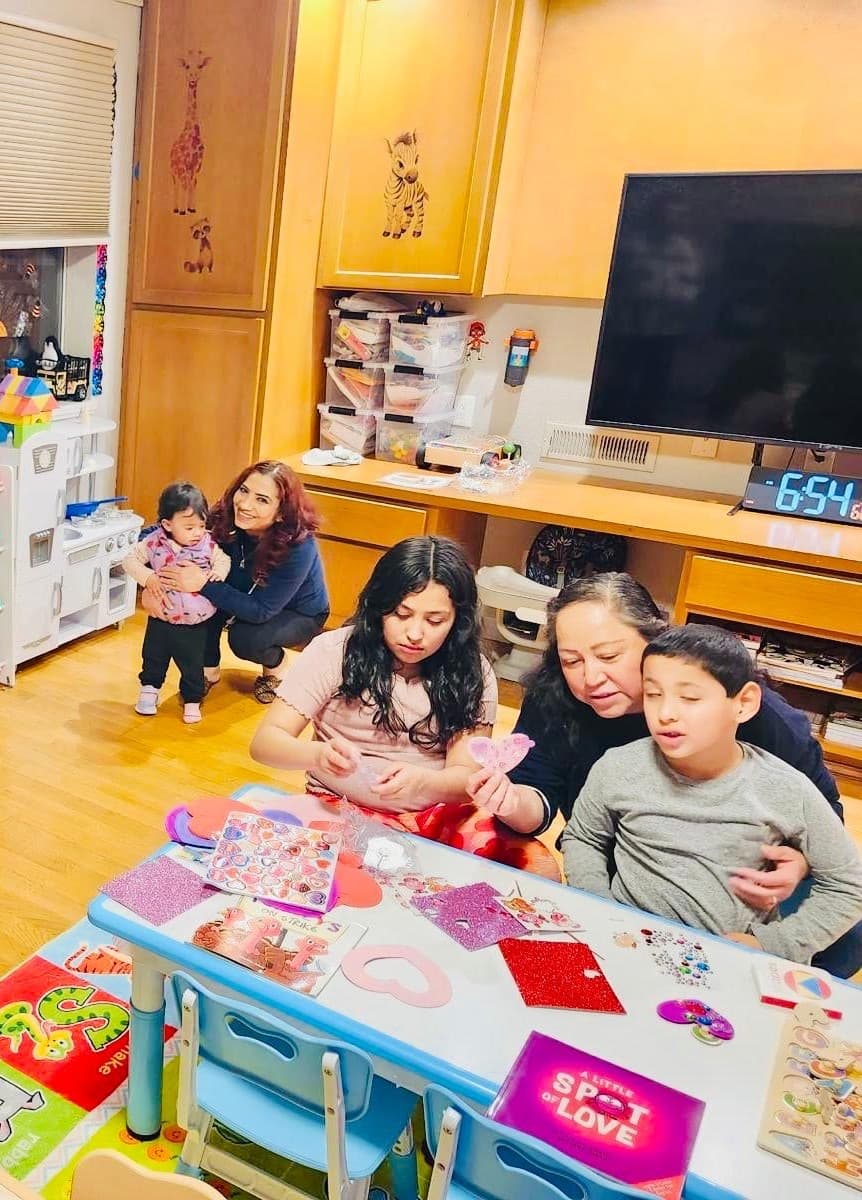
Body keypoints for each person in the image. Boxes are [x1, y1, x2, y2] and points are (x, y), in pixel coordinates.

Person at [466, 572, 860, 976]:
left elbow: (823, 823)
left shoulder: (760, 720)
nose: (591, 677)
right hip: (630, 880)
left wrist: (796, 863)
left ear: (654, 644)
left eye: (610, 656)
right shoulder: (564, 707)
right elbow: (558, 814)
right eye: (572, 661)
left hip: (740, 885)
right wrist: (513, 803)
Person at [250, 535, 558, 877]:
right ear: (378, 607)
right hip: (339, 806)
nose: (415, 633)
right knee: (298, 864)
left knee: (536, 868)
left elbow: (465, 777)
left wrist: (424, 782)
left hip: (436, 813)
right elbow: (265, 744)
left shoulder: (473, 670)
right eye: (401, 614)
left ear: (459, 619)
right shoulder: (333, 652)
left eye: (435, 621)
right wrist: (317, 756)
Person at [560, 625, 862, 965]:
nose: (665, 713)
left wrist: (774, 945)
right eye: (654, 694)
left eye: (689, 698)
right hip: (623, 947)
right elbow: (583, 837)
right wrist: (597, 907)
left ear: (744, 703)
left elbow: (848, 884)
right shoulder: (618, 766)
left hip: (726, 964)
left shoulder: (785, 787)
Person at [149, 461, 329, 704]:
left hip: (297, 612)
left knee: (245, 639)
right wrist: (150, 581)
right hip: (242, 593)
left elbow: (261, 610)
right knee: (197, 603)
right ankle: (208, 670)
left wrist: (203, 584)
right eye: (243, 491)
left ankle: (276, 667)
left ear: (281, 512)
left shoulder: (299, 546)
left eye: (262, 500)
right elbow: (163, 534)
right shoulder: (224, 516)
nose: (244, 504)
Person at [123, 481, 230, 724]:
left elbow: (223, 561)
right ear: (167, 525)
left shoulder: (208, 545)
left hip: (194, 622)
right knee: (153, 657)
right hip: (160, 617)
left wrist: (217, 574)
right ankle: (149, 692)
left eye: (202, 525)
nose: (198, 533)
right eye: (190, 527)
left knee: (192, 664)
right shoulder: (153, 543)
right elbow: (129, 561)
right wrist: (148, 577)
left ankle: (192, 700)